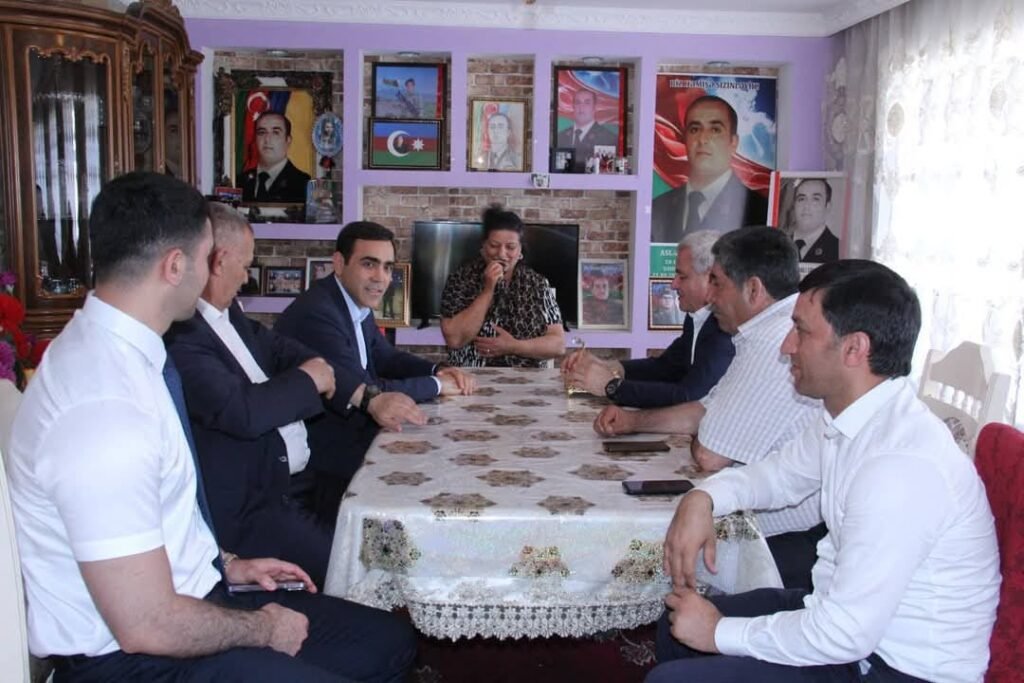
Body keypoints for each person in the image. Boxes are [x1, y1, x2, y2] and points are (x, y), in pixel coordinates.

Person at [6, 172, 415, 682]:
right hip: (131, 660)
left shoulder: (124, 351)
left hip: (190, 596)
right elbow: (146, 624)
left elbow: (155, 517)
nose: (213, 274)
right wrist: (263, 628)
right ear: (175, 266)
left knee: (389, 642)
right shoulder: (104, 408)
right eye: (206, 258)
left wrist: (226, 563)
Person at [650, 259, 1000, 683]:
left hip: (894, 668)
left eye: (801, 331)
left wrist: (719, 632)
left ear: (854, 349)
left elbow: (843, 634)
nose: (786, 346)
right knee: (675, 627)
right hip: (846, 624)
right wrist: (703, 497)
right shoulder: (851, 417)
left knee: (675, 673)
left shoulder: (899, 467)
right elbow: (778, 477)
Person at [593, 227, 823, 589]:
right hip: (763, 518)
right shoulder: (758, 332)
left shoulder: (771, 341)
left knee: (619, 549)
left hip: (780, 541)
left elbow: (709, 455)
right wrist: (632, 422)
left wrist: (703, 429)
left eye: (716, 283)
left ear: (753, 289)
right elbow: (702, 407)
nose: (710, 296)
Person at [165, 203, 341, 588]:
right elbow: (241, 411)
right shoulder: (181, 334)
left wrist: (316, 365)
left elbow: (278, 347)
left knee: (371, 524)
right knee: (348, 566)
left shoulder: (231, 314)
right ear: (219, 261)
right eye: (245, 266)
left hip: (296, 483)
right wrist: (309, 379)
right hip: (256, 507)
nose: (247, 277)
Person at [275, 220, 476, 520]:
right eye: (369, 264)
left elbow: (385, 357)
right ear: (339, 263)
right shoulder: (318, 314)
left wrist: (439, 369)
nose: (381, 277)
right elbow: (368, 390)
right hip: (326, 464)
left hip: (352, 441)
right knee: (440, 471)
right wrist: (435, 385)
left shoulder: (352, 301)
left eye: (387, 267)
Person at [562, 230, 733, 409]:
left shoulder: (724, 327)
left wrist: (611, 386)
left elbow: (688, 397)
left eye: (682, 277)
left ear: (710, 278)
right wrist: (609, 366)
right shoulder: (696, 317)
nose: (673, 284)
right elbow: (665, 367)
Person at [441, 205, 565, 367]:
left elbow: (558, 345)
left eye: (510, 247)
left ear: (520, 251)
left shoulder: (537, 283)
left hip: (525, 376)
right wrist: (488, 290)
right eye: (494, 245)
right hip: (470, 374)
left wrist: (513, 346)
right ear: (483, 247)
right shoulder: (460, 279)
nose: (501, 254)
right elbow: (454, 339)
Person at [650, 95, 768, 243]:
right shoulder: (658, 207)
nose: (703, 139)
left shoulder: (759, 209)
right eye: (694, 129)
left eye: (715, 130)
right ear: (685, 139)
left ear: (733, 142)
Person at [240, 112, 311, 203]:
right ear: (255, 139)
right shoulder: (240, 181)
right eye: (262, 132)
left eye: (276, 133)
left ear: (288, 140)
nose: (267, 139)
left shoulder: (303, 184)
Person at [556, 88, 618, 173]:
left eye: (587, 103)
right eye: (578, 102)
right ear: (573, 106)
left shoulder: (608, 138)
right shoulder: (560, 137)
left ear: (594, 108)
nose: (581, 107)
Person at [785, 177, 839, 263]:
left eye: (815, 199)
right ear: (794, 205)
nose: (806, 206)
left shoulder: (838, 249)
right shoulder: (780, 245)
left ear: (828, 207)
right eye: (801, 199)